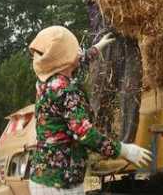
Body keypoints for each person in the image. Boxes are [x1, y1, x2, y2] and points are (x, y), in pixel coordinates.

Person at [28, 26, 151, 194]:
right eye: (74, 49)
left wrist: (96, 48)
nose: (78, 51)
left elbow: (74, 63)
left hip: (43, 177)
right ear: (65, 58)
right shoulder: (66, 91)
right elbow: (85, 134)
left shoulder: (47, 82)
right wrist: (123, 150)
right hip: (60, 184)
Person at [85, 0, 143, 142]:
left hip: (129, 42)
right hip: (105, 43)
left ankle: (127, 144)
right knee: (101, 97)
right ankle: (102, 144)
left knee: (131, 94)